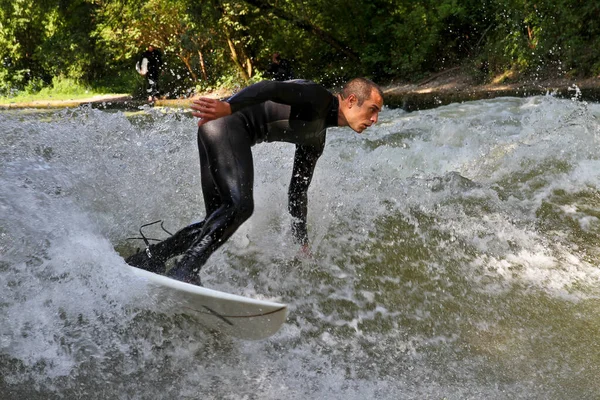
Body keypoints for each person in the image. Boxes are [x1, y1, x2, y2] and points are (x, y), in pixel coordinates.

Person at [125, 78, 384, 285]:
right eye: (372, 110)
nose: (374, 120)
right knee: (241, 206)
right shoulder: (318, 97)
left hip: (217, 128)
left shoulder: (315, 140)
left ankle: (150, 259)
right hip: (225, 122)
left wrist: (301, 240)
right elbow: (269, 87)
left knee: (216, 220)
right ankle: (184, 270)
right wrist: (228, 107)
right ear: (351, 101)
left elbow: (297, 191)